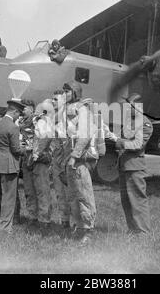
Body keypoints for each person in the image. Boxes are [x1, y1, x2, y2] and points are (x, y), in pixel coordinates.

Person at [62, 81, 99, 245]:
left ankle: (88, 230)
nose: (65, 93)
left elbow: (84, 136)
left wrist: (74, 156)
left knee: (84, 195)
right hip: (70, 159)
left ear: (75, 92)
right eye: (64, 91)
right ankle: (79, 226)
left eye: (67, 90)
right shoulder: (69, 110)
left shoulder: (83, 110)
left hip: (80, 160)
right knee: (73, 197)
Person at [115, 93, 153, 235]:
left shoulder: (145, 123)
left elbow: (138, 144)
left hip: (135, 167)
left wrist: (120, 143)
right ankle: (132, 229)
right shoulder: (130, 122)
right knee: (126, 200)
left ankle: (143, 232)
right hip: (124, 165)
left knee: (137, 200)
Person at [0, 100, 25, 233]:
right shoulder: (13, 127)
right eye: (18, 114)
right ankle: (5, 228)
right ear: (14, 111)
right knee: (8, 197)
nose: (18, 117)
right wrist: (26, 150)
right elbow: (15, 150)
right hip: (8, 164)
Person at [29, 99, 54, 231]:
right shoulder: (46, 122)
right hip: (42, 159)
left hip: (41, 160)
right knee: (41, 190)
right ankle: (42, 218)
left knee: (42, 190)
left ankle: (44, 220)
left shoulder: (43, 123)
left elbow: (42, 143)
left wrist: (35, 156)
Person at [51, 90, 71, 230]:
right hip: (56, 160)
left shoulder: (68, 118)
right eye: (52, 99)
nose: (52, 102)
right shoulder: (52, 117)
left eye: (56, 100)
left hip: (67, 160)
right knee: (59, 192)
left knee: (71, 192)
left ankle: (77, 222)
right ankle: (64, 221)